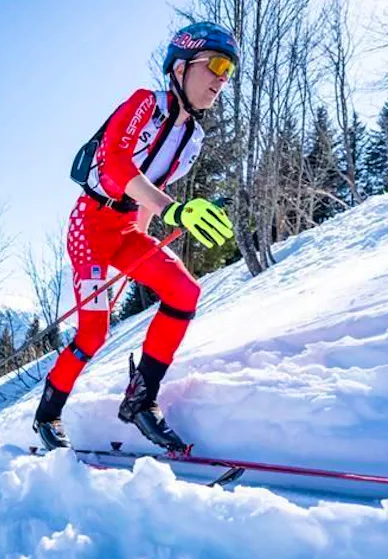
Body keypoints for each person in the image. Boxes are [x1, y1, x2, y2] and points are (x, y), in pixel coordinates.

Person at [33, 22, 240, 452]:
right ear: (180, 68)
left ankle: (141, 401)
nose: (222, 78)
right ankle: (47, 415)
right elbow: (114, 168)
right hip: (90, 225)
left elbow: (146, 195)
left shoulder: (193, 137)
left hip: (128, 228)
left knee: (184, 291)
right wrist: (175, 209)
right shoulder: (144, 104)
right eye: (216, 65)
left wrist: (139, 256)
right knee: (93, 333)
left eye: (229, 71)